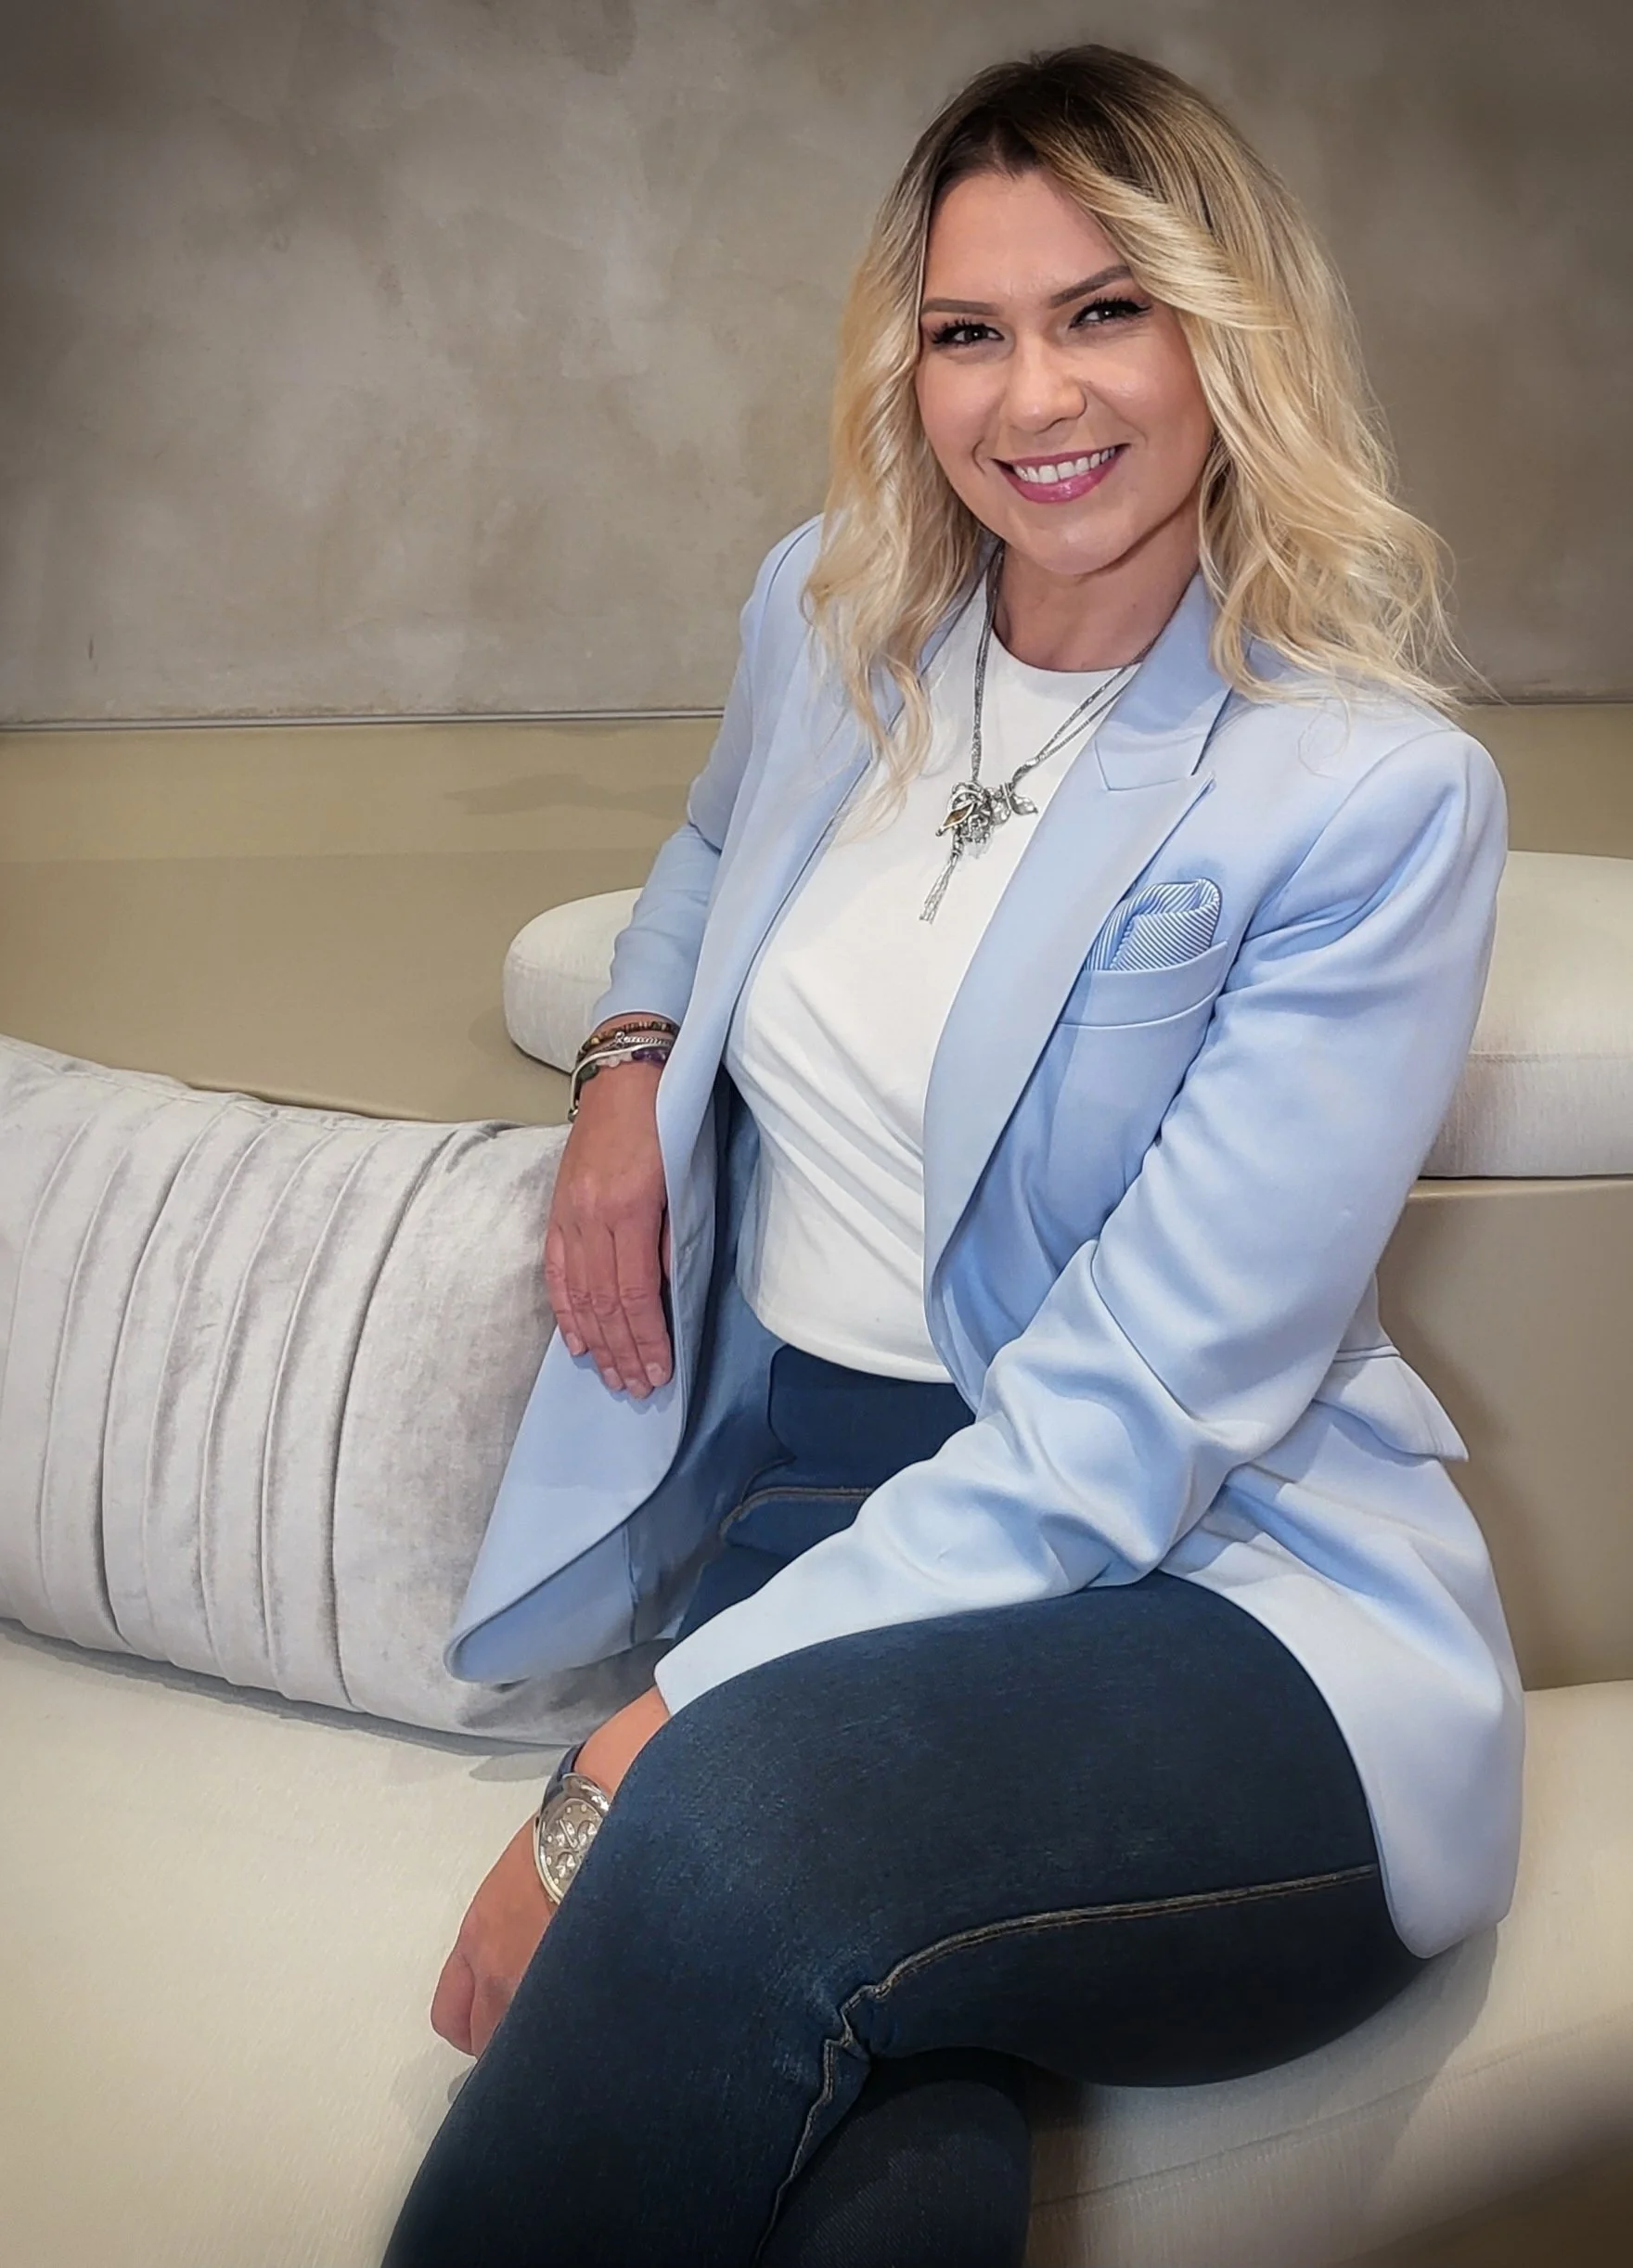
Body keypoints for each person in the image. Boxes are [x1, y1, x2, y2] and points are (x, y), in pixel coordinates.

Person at [385, 44, 1522, 2268]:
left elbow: (1147, 1401)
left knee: (722, 1841)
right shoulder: (832, 610)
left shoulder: (1362, 795)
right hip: (823, 1486)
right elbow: (714, 847)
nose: (1032, 398)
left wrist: (642, 1741)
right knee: (881, 2115)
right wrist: (629, 1071)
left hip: (1212, 1589)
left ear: (1225, 336)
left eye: (1104, 310)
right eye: (967, 329)